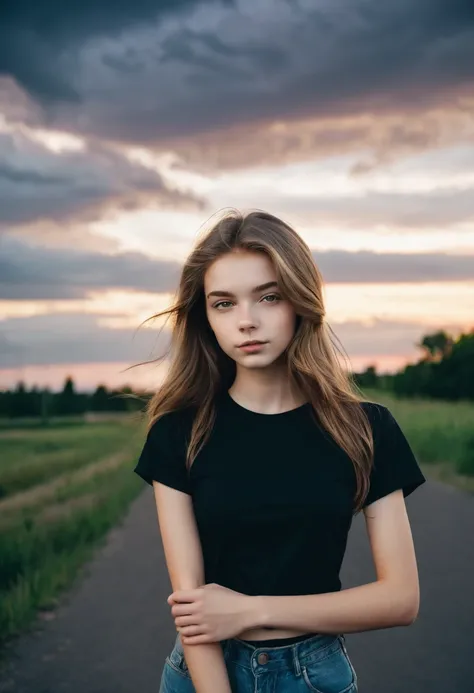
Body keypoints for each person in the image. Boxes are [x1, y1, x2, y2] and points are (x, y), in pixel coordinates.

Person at [133, 208, 426, 693]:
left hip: (313, 674)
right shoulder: (178, 432)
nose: (246, 321)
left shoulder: (367, 429)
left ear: (300, 302)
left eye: (268, 297)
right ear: (204, 317)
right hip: (202, 675)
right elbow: (194, 613)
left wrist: (253, 610)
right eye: (223, 304)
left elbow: (401, 600)